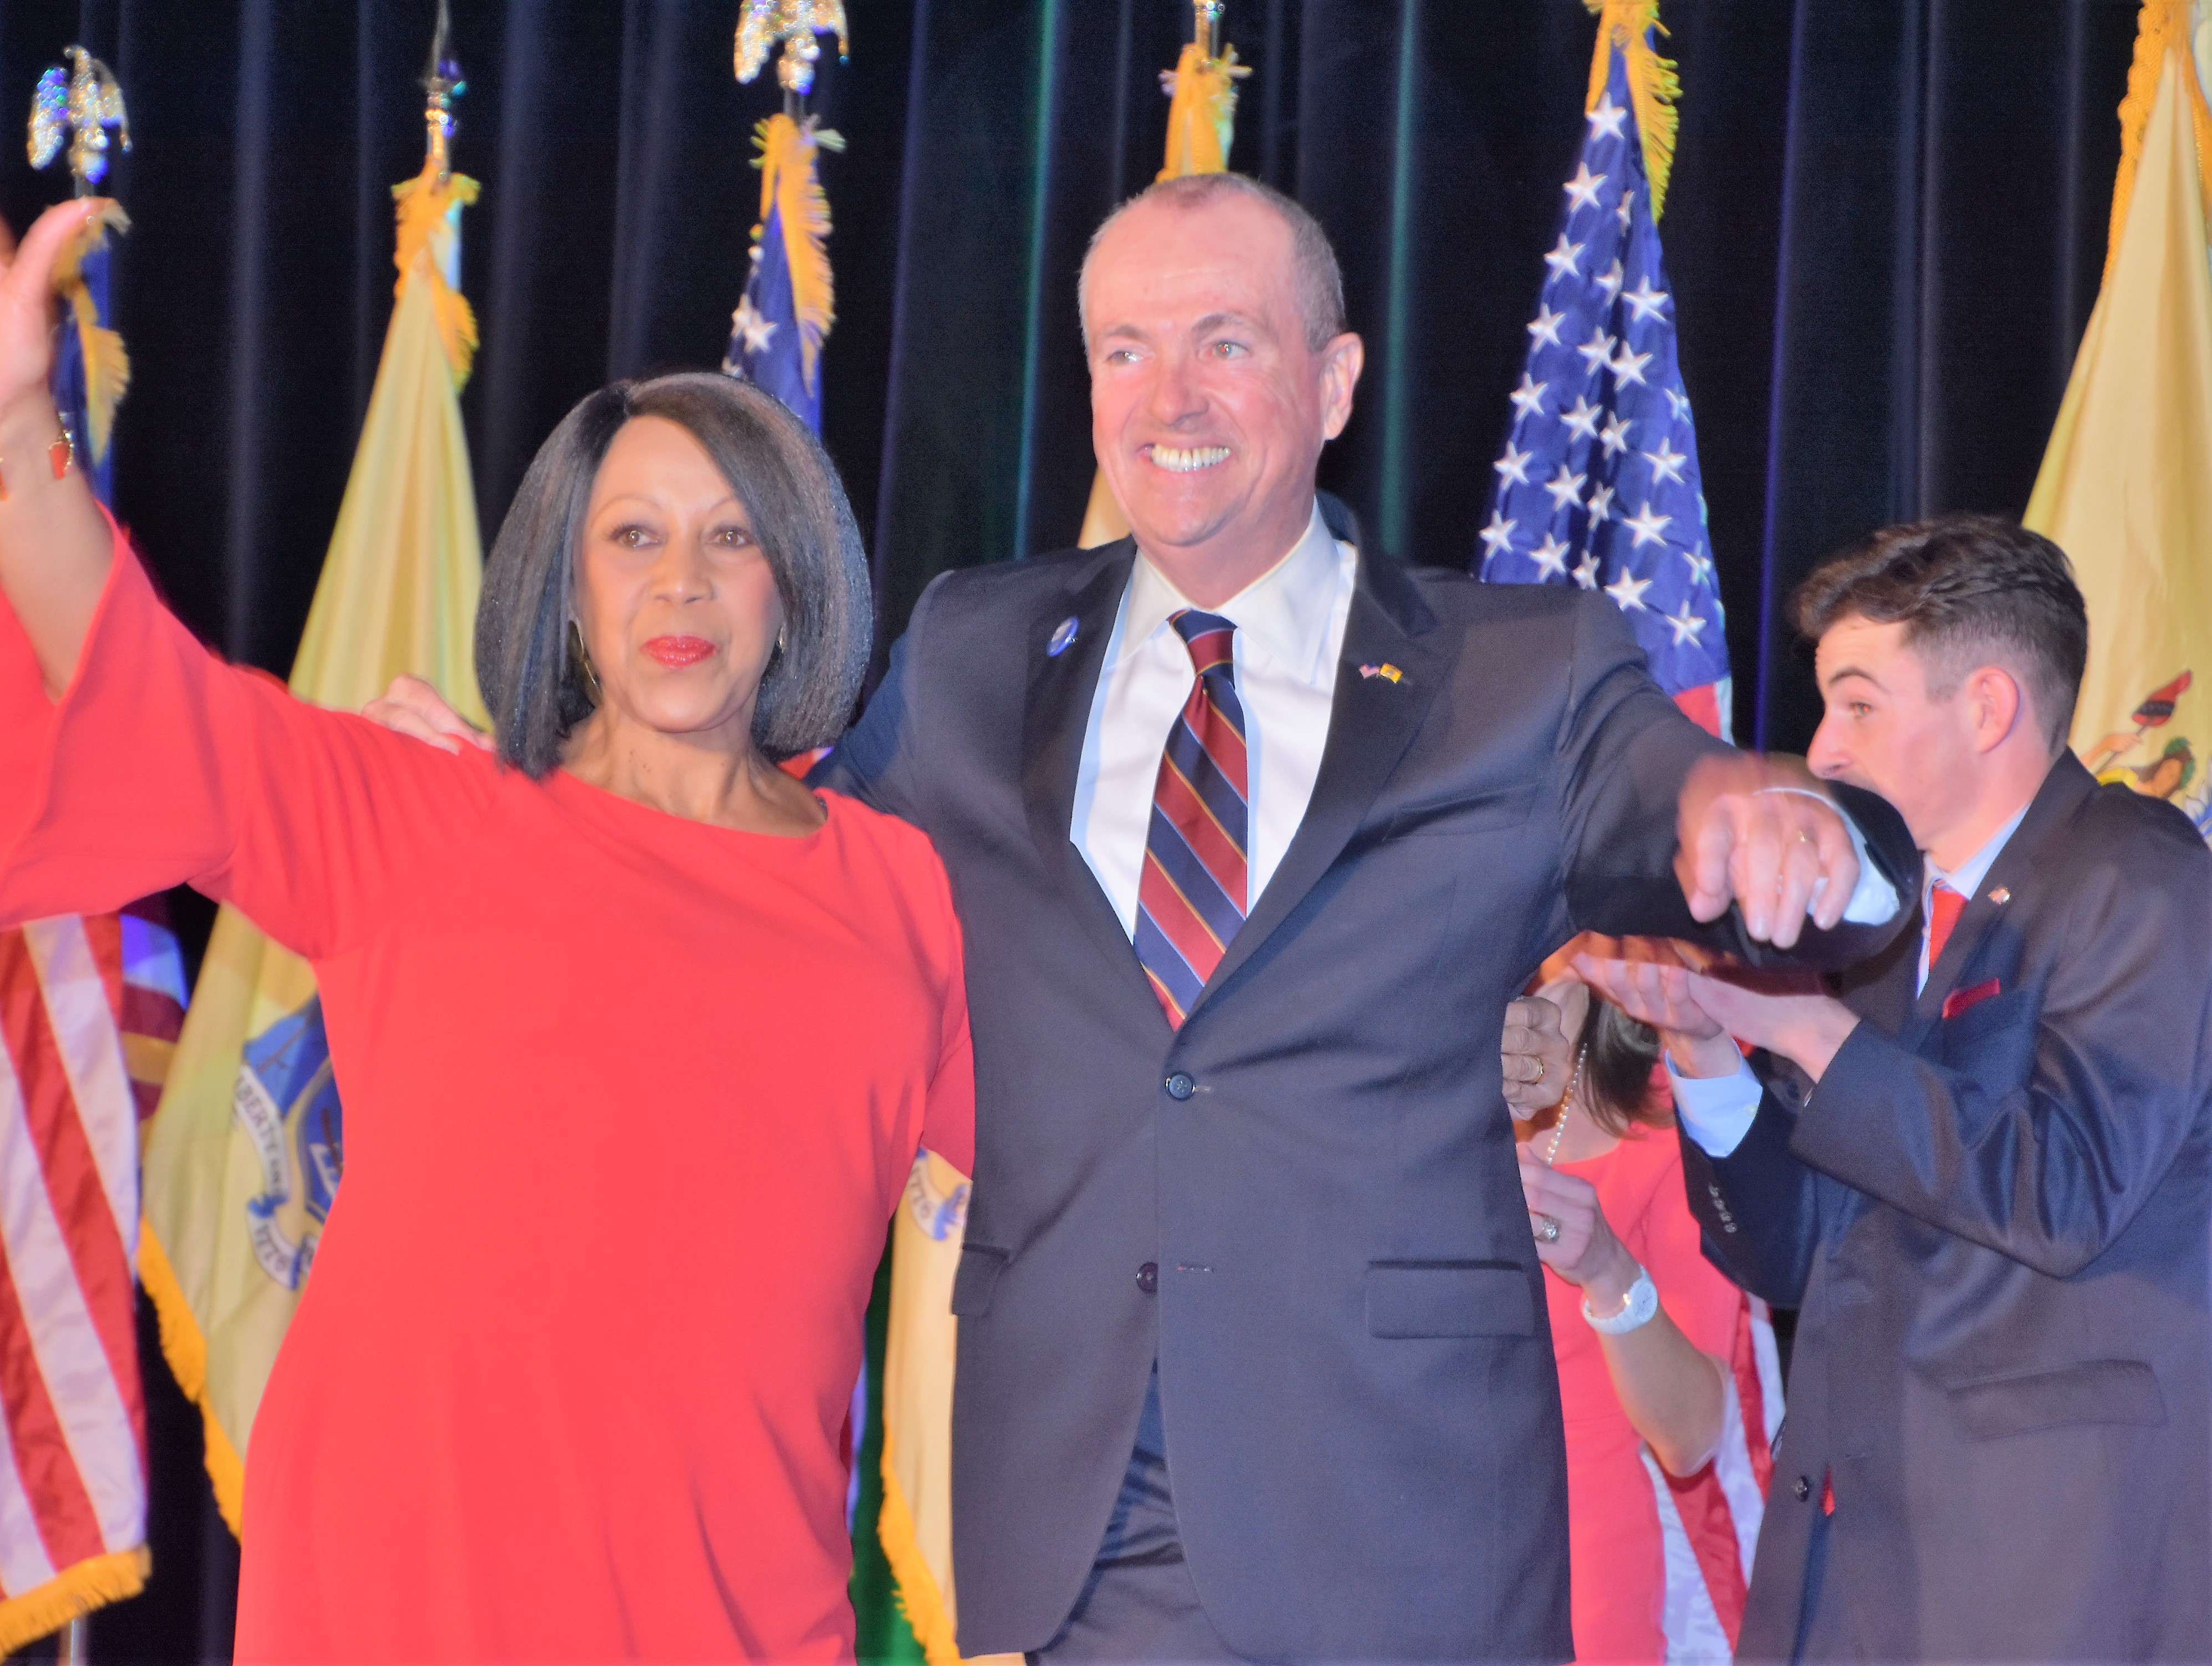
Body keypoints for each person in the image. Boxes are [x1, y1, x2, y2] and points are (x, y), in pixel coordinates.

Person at [378, 170, 1917, 1659]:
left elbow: (1692, 806)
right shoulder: (976, 648)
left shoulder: (1519, 671)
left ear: (1333, 381)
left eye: (1222, 342)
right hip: (1095, 1510)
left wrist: (1798, 833)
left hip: (1405, 1511)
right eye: (1126, 350)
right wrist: (531, 813)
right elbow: (769, 870)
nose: (1168, 397)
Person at [0, 93, 972, 1663]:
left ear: (799, 582)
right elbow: (135, 687)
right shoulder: (424, 816)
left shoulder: (905, 896)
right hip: (404, 1605)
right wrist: (9, 424)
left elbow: (1098, 1183)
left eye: (731, 537)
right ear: (569, 591)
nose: (682, 582)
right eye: (632, 536)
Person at [1582, 515, 2212, 1662]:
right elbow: (1794, 1259)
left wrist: (1811, 1032)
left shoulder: (2138, 873)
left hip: (2053, 1574)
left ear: (1986, 707)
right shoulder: (1882, 930)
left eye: (1858, 705)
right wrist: (1705, 1051)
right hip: (1857, 1567)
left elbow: (2065, 1190)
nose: (1822, 753)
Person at [1517, 964, 1776, 1662]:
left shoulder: (1669, 1103)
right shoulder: (1391, 1083)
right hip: (1383, 1559)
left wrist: (1606, 1270)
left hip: (1581, 1587)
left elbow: (1691, 1434)